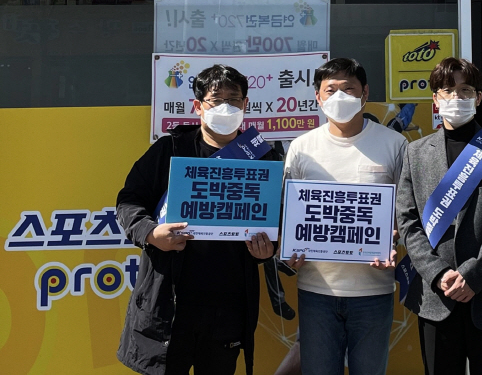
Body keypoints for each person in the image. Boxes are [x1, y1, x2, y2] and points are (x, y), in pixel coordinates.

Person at [116, 64, 277, 375]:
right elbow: (129, 201)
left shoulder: (261, 157)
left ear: (246, 105)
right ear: (198, 106)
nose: (226, 107)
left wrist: (267, 249)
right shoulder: (171, 149)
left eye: (235, 99)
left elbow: (275, 219)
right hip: (170, 302)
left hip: (227, 306)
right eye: (217, 100)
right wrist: (150, 233)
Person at [395, 57, 482, 375]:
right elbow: (408, 220)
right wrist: (437, 273)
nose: (456, 98)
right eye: (447, 90)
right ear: (435, 99)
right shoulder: (415, 153)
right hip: (436, 296)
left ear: (478, 97)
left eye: (465, 89)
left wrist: (474, 274)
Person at [284, 57, 408, 375]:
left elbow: (408, 213)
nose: (340, 97)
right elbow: (288, 212)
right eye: (331, 89)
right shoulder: (301, 148)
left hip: (374, 290)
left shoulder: (394, 144)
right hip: (316, 290)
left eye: (348, 89)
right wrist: (288, 252)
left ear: (364, 94)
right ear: (318, 97)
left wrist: (395, 241)